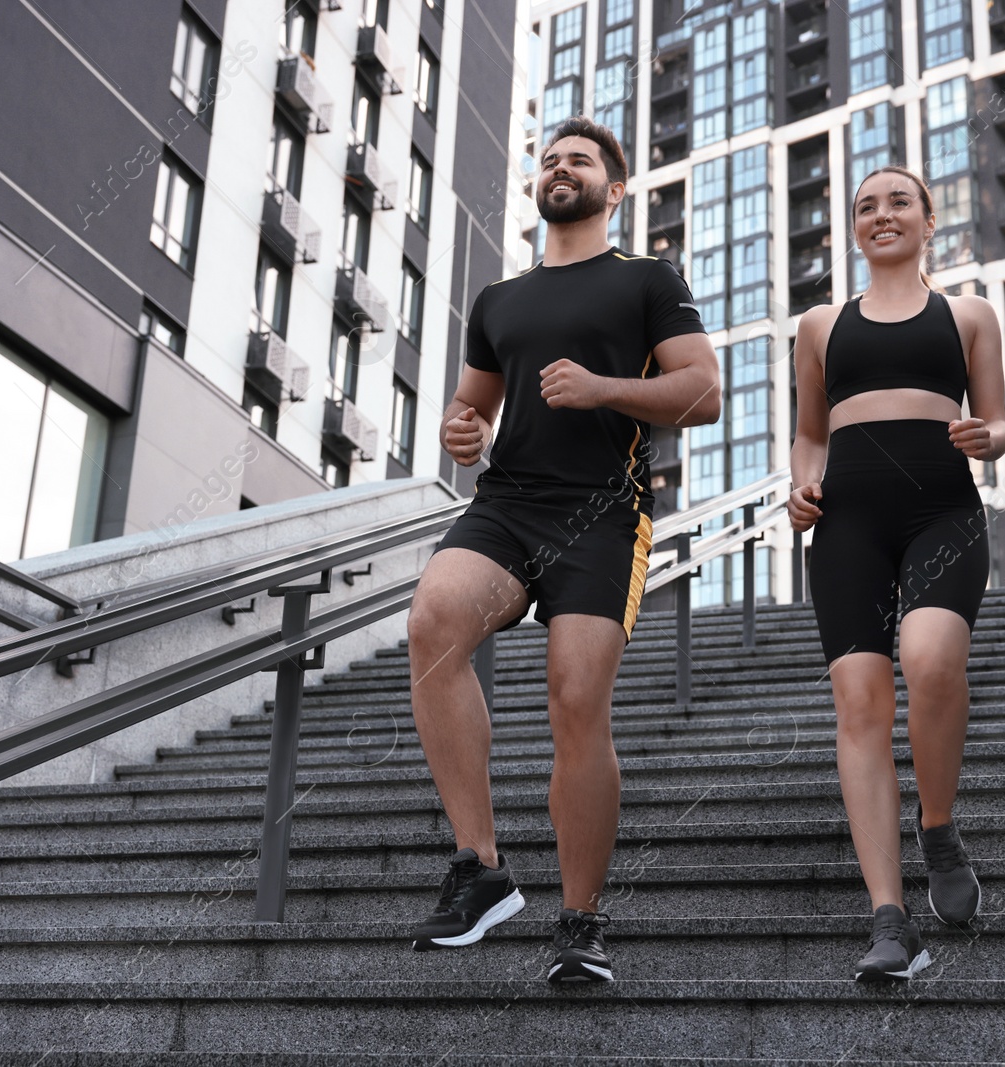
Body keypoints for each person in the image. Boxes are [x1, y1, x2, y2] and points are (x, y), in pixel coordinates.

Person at [404, 117, 721, 982]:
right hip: (505, 505)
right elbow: (471, 412)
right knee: (433, 620)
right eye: (549, 160)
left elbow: (704, 392)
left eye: (579, 160)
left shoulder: (648, 278)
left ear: (613, 190)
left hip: (604, 514)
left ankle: (580, 923)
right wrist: (460, 432)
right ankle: (482, 866)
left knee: (576, 698)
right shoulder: (500, 299)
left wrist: (602, 389)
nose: (560, 168)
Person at [786, 165, 1005, 981]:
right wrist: (801, 484)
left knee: (930, 658)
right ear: (855, 227)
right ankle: (890, 918)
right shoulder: (818, 325)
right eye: (865, 206)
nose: (881, 214)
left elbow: (997, 420)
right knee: (860, 702)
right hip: (847, 524)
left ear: (926, 220)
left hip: (941, 515)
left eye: (898, 202)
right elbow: (810, 434)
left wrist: (989, 437)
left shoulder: (970, 314)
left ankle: (938, 824)